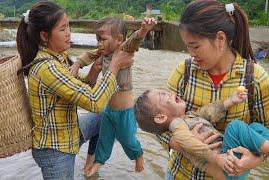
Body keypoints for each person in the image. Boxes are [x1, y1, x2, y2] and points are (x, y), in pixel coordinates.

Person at [16, 2, 134, 180]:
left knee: (107, 116)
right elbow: (94, 102)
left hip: (69, 131)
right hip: (55, 149)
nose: (69, 33)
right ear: (44, 36)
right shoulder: (48, 68)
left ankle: (90, 164)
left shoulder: (58, 58)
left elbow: (82, 88)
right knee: (101, 109)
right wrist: (115, 66)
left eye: (68, 26)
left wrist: (95, 70)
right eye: (63, 29)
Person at [157, 0, 269, 179]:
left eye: (195, 46)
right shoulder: (183, 72)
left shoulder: (255, 78)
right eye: (188, 46)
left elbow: (265, 132)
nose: (191, 53)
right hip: (180, 174)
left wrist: (253, 161)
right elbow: (159, 125)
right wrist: (186, 143)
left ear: (220, 39)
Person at [70, 17, 157, 176]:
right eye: (97, 40)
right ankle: (98, 163)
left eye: (103, 40)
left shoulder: (124, 51)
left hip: (124, 111)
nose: (99, 44)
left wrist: (144, 30)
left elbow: (134, 40)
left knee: (128, 140)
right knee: (104, 139)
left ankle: (138, 155)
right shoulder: (103, 53)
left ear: (119, 40)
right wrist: (77, 64)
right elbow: (89, 55)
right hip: (108, 110)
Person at [134, 88, 269, 179]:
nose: (169, 92)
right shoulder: (176, 125)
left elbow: (208, 112)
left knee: (256, 127)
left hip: (234, 162)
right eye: (162, 95)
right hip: (226, 165)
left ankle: (261, 150)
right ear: (161, 117)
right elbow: (188, 143)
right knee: (235, 127)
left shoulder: (187, 117)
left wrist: (231, 101)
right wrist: (216, 158)